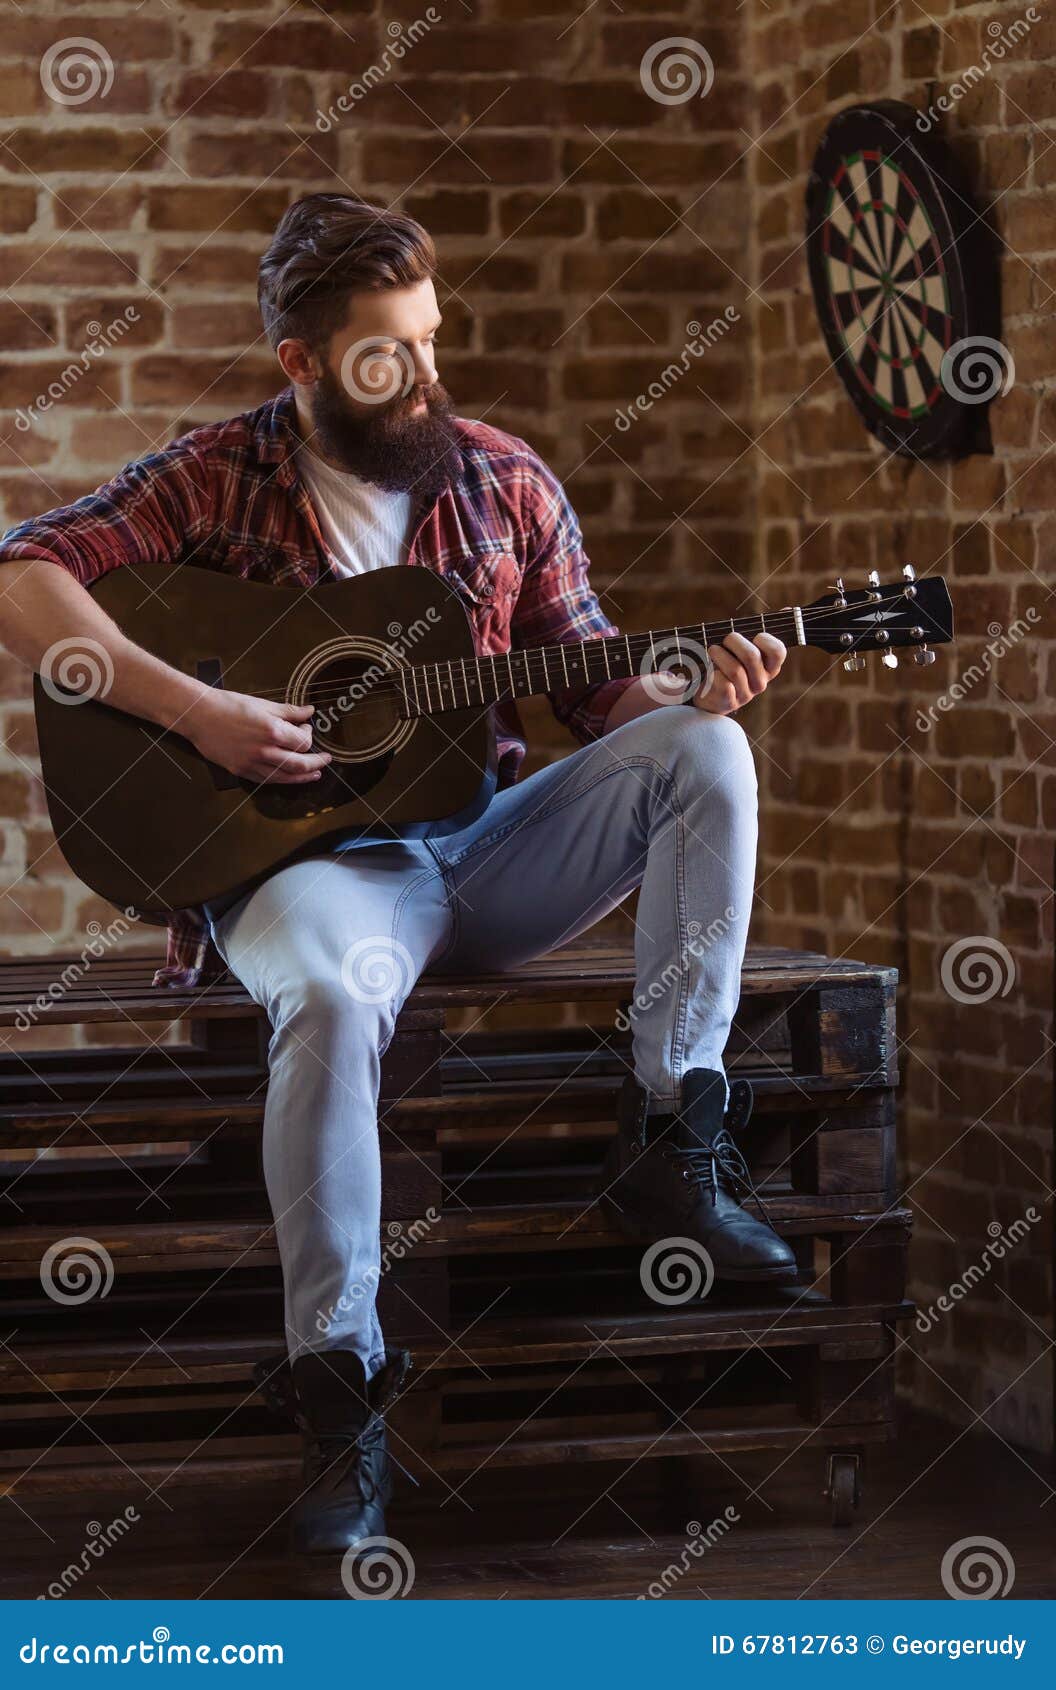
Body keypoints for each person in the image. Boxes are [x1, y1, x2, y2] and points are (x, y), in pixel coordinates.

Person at [0, 193, 794, 1562]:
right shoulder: (216, 476)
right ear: (303, 363)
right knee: (327, 988)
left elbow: (598, 688)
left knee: (704, 751)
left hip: (480, 847)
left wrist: (692, 680)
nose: (428, 376)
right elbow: (23, 578)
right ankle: (341, 1392)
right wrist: (196, 708)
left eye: (432, 340)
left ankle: (674, 1138)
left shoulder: (502, 480)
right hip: (311, 866)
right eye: (387, 355)